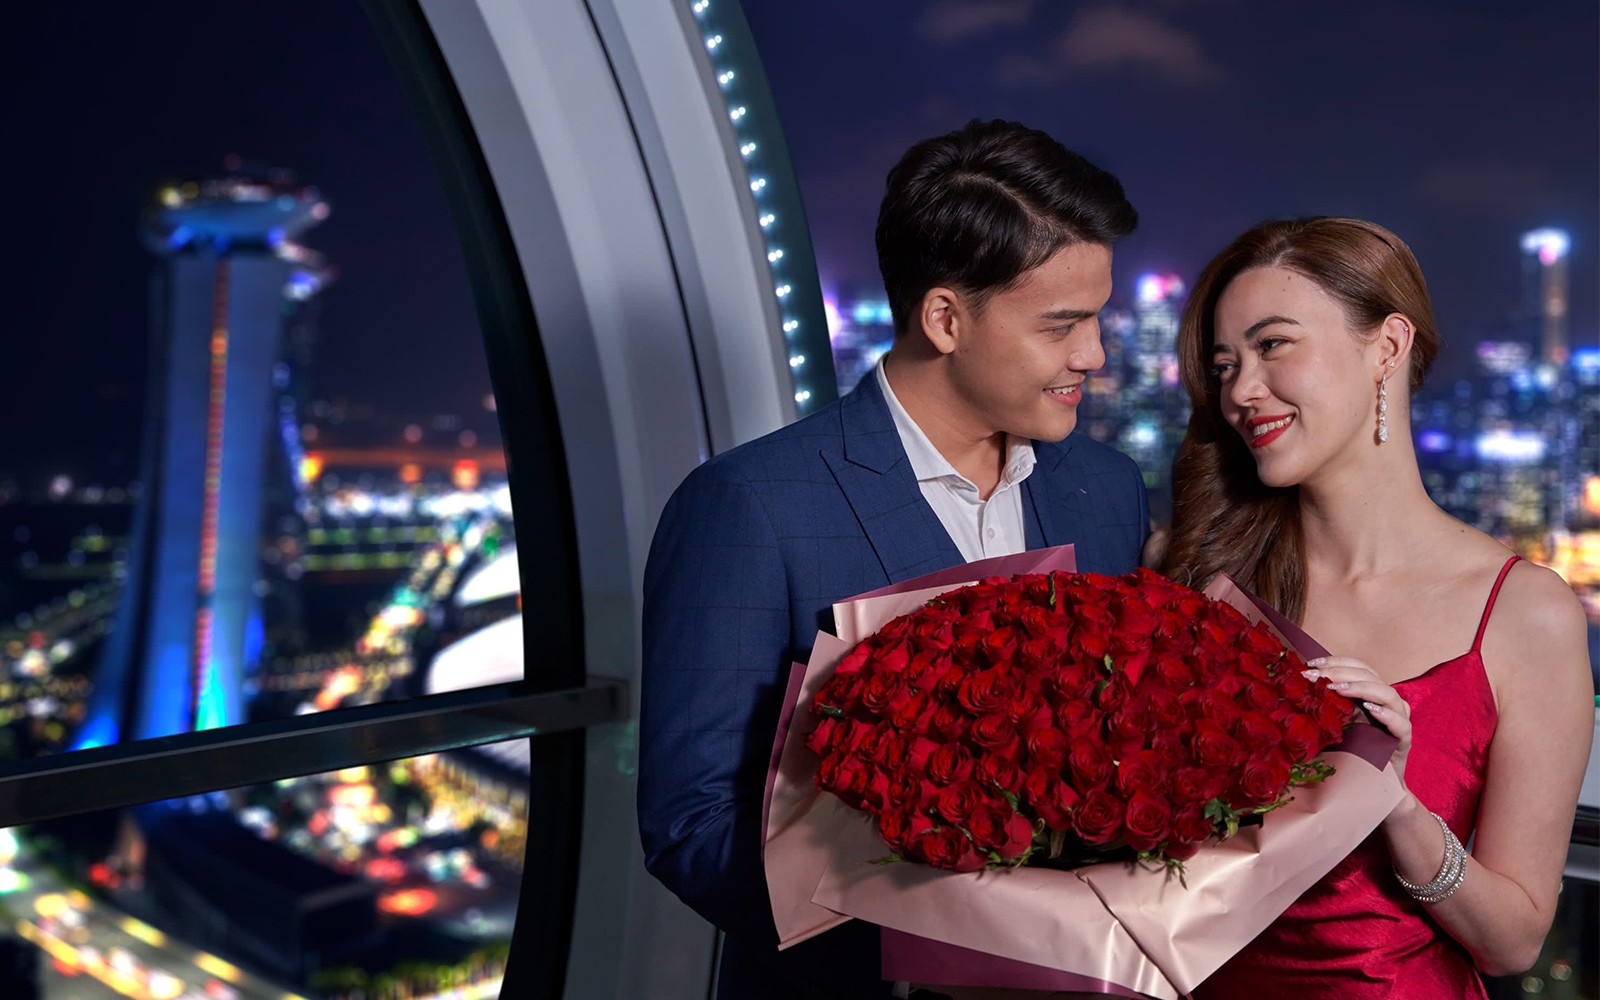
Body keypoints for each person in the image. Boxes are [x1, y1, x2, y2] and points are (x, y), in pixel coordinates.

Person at [637, 119, 1150, 999]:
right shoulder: (752, 505)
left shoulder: (1105, 489)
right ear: (945, 317)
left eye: (1098, 319)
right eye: (1062, 325)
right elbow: (692, 827)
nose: (1094, 356)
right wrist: (943, 914)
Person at [1161, 217, 1594, 997]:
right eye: (1224, 365)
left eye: (1273, 346)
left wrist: (1397, 808)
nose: (1240, 392)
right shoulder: (1198, 578)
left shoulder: (1525, 614)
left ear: (1388, 348)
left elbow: (1515, 942)